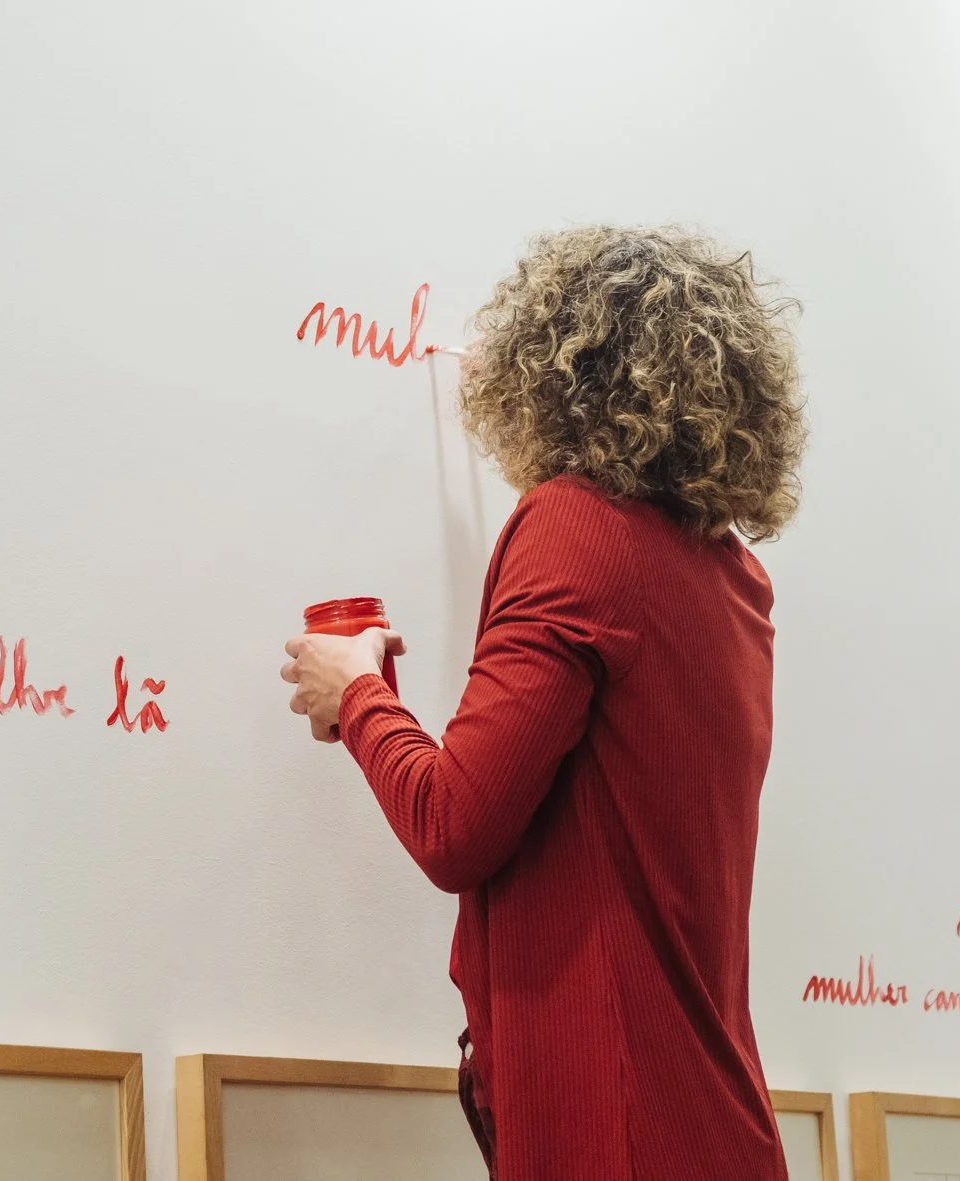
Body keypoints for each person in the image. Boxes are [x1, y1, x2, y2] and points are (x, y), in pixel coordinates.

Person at [281, 224, 806, 1180]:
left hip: (620, 1130)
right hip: (719, 1126)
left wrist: (355, 692)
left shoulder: (574, 526)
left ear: (556, 371)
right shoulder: (735, 581)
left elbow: (456, 825)